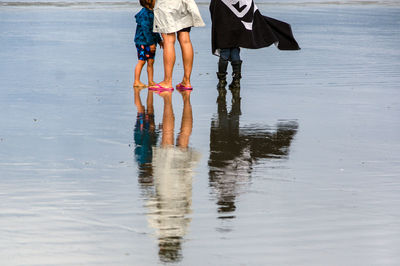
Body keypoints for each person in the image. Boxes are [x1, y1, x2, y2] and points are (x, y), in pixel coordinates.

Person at [210, 0, 300, 101]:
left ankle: (222, 82)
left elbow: (214, 7)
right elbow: (249, 7)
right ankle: (236, 81)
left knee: (225, 50)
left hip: (224, 23)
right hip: (239, 24)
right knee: (235, 48)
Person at [150, 0, 205, 93]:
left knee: (168, 41)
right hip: (184, 3)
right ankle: (186, 81)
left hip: (167, 4)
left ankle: (167, 82)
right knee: (185, 40)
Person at [134, 0, 163, 88]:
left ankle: (150, 81)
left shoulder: (152, 13)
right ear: (148, 1)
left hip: (151, 42)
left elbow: (154, 29)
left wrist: (159, 40)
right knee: (142, 61)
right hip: (143, 41)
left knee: (151, 61)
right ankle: (136, 81)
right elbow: (146, 30)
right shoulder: (145, 14)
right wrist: (151, 43)